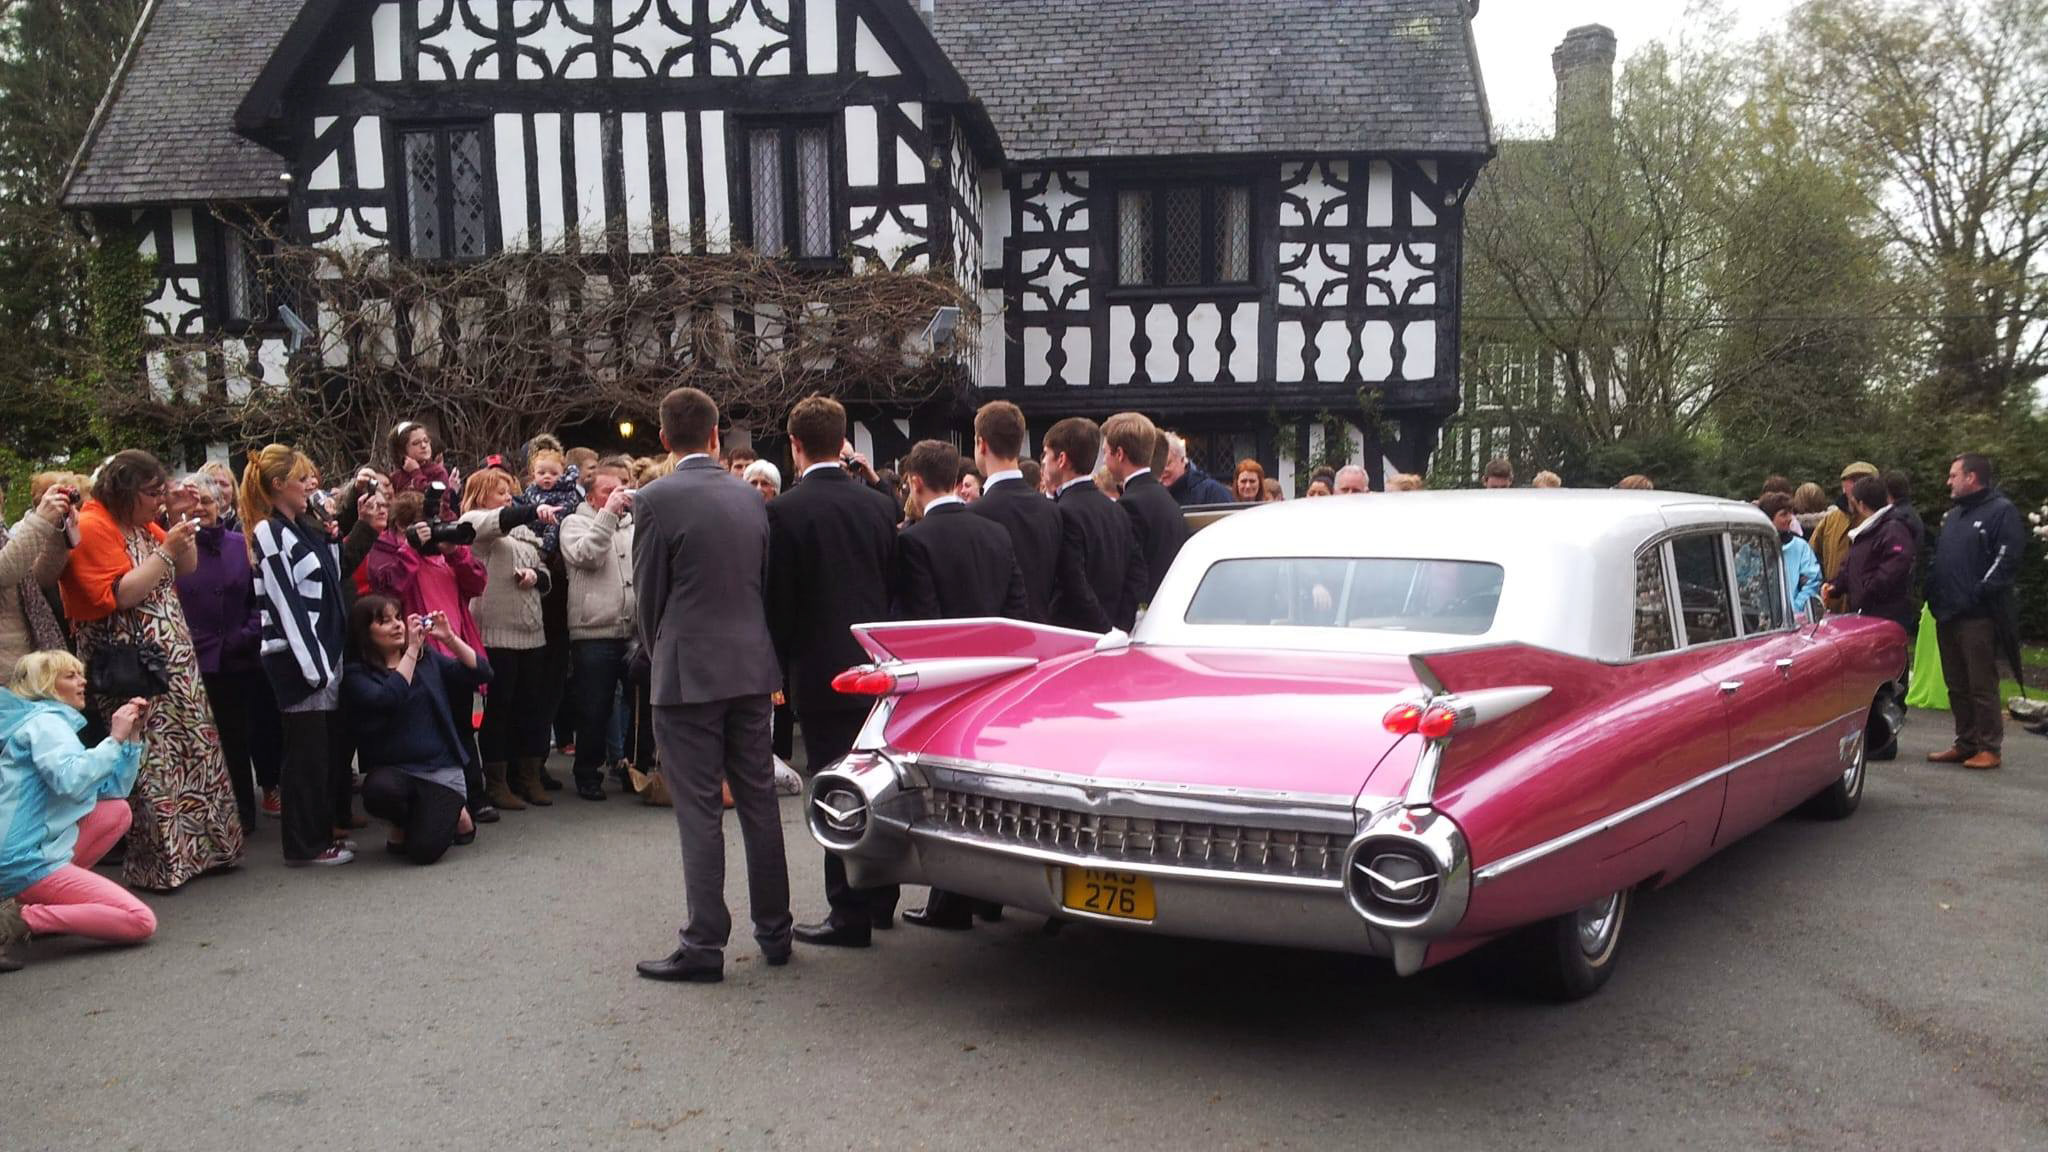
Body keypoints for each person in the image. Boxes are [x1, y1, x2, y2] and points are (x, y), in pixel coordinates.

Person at [633, 387, 792, 983]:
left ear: (664, 437)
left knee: (699, 808)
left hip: (687, 670)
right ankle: (775, 930)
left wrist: (662, 654)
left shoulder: (654, 499)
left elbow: (649, 600)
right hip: (749, 664)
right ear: (716, 434)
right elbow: (761, 581)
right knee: (757, 801)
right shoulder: (752, 498)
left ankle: (704, 941)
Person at [59, 450, 243, 889]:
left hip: (172, 657)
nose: (160, 499)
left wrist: (179, 524)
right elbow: (120, 594)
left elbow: (188, 567)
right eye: (153, 493)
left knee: (194, 749)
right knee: (152, 763)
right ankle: (163, 865)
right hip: (128, 663)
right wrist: (164, 549)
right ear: (124, 490)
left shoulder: (140, 523)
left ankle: (209, 851)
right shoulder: (94, 524)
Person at [767, 394, 901, 947]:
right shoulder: (878, 505)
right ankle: (882, 899)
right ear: (843, 440)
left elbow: (778, 602)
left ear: (795, 445)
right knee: (880, 781)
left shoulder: (783, 512)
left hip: (819, 667)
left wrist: (776, 668)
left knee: (833, 787)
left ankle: (847, 912)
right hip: (876, 664)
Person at [239, 445, 357, 869]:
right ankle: (304, 844)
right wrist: (313, 666)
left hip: (321, 654)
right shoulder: (269, 532)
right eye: (301, 478)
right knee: (305, 755)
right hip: (297, 657)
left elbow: (328, 582)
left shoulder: (300, 526)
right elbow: (284, 600)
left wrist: (332, 540)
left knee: (321, 752)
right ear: (278, 485)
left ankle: (321, 833)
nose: (310, 485)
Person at [0, 653, 154, 967]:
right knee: (139, 920)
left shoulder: (47, 721)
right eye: (70, 676)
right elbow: (72, 780)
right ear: (45, 686)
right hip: (23, 859)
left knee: (116, 811)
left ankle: (29, 903)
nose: (82, 682)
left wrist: (132, 738)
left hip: (22, 852)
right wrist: (114, 738)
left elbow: (112, 790)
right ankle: (20, 919)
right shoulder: (46, 724)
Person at [367, 489, 495, 820]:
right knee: (428, 730)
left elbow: (477, 584)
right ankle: (430, 799)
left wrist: (455, 553)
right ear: (403, 526)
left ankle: (473, 796)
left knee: (462, 729)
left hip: (452, 651)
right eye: (420, 526)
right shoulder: (387, 551)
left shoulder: (443, 555)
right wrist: (410, 550)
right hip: (416, 657)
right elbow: (387, 591)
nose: (429, 533)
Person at [343, 597, 487, 864]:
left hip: (440, 772)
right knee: (377, 791)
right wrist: (410, 651)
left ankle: (457, 814)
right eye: (384, 621)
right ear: (364, 632)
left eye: (398, 618)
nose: (397, 625)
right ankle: (407, 820)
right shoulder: (356, 674)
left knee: (423, 851)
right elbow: (389, 699)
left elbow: (481, 672)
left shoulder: (426, 659)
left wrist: (449, 638)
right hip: (396, 773)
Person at [176, 472, 282, 833]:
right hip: (192, 658)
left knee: (239, 739)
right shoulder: (171, 548)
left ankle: (243, 816)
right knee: (197, 744)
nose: (201, 509)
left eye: (206, 501)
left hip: (236, 656)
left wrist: (245, 635)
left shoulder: (242, 544)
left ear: (220, 504)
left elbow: (261, 600)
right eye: (193, 503)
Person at [459, 468, 560, 809]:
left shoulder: (524, 534)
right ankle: (497, 782)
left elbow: (545, 572)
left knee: (531, 707)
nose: (508, 497)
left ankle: (528, 775)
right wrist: (531, 510)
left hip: (532, 633)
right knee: (499, 709)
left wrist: (536, 576)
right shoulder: (475, 524)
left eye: (510, 491)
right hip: (497, 634)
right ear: (482, 493)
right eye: (500, 491)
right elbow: (496, 521)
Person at [1925, 453, 2024, 771]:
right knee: (1956, 683)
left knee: (1980, 682)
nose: (1948, 481)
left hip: (1978, 615)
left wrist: (1977, 592)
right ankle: (1965, 741)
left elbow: (2006, 560)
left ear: (1972, 477)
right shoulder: (1954, 515)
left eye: (1954, 475)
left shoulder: (2001, 512)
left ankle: (1989, 747)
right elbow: (1941, 557)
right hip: (1948, 612)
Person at [560, 457, 637, 802]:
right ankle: (587, 772)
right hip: (594, 631)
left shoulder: (635, 525)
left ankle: (631, 766)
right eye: (608, 490)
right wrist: (608, 514)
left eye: (622, 487)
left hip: (634, 630)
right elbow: (587, 555)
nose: (618, 495)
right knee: (595, 707)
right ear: (592, 497)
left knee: (638, 706)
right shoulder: (574, 523)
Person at [971, 400, 1085, 625]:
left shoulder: (975, 514)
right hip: (1045, 635)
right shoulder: (1053, 511)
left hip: (994, 640)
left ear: (982, 445)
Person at [896, 440, 1028, 622]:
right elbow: (1017, 606)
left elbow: (923, 618)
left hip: (945, 648)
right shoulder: (998, 532)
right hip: (996, 647)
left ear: (915, 482)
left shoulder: (912, 540)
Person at [1043, 418, 1145, 633]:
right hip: (1114, 630)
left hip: (1077, 635)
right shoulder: (1116, 509)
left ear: (1061, 459)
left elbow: (1073, 582)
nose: (1043, 461)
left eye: (1046, 454)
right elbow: (1136, 574)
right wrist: (1121, 626)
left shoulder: (1063, 511)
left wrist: (1106, 629)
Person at [1107, 413, 1185, 608]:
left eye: (1106, 453)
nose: (1103, 462)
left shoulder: (1130, 504)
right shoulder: (1164, 497)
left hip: (1144, 611)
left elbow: (1130, 572)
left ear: (1120, 454)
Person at [0, 482, 75, 682]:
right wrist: (40, 521)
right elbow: (4, 571)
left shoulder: (3, 533)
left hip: (26, 661)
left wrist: (58, 529)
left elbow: (42, 578)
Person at [1811, 462, 1877, 591]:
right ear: (1843, 486)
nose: (1857, 485)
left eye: (1864, 480)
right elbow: (1811, 555)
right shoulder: (1830, 520)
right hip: (1833, 601)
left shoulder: (1879, 520)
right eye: (1853, 480)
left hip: (1868, 603)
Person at [1759, 493, 1823, 616]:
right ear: (1769, 518)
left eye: (1791, 513)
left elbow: (1812, 581)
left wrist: (1795, 609)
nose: (1790, 518)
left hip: (1793, 618)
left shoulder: (1800, 547)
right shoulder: (1753, 548)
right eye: (1784, 514)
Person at [1161, 433, 1233, 506]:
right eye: (1157, 465)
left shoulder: (1212, 492)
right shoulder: (1154, 496)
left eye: (1167, 464)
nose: (1162, 470)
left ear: (1182, 460)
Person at [388, 421, 453, 499]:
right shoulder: (396, 478)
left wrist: (416, 473)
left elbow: (436, 499)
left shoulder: (438, 472)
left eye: (426, 441)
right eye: (416, 443)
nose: (423, 445)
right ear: (402, 450)